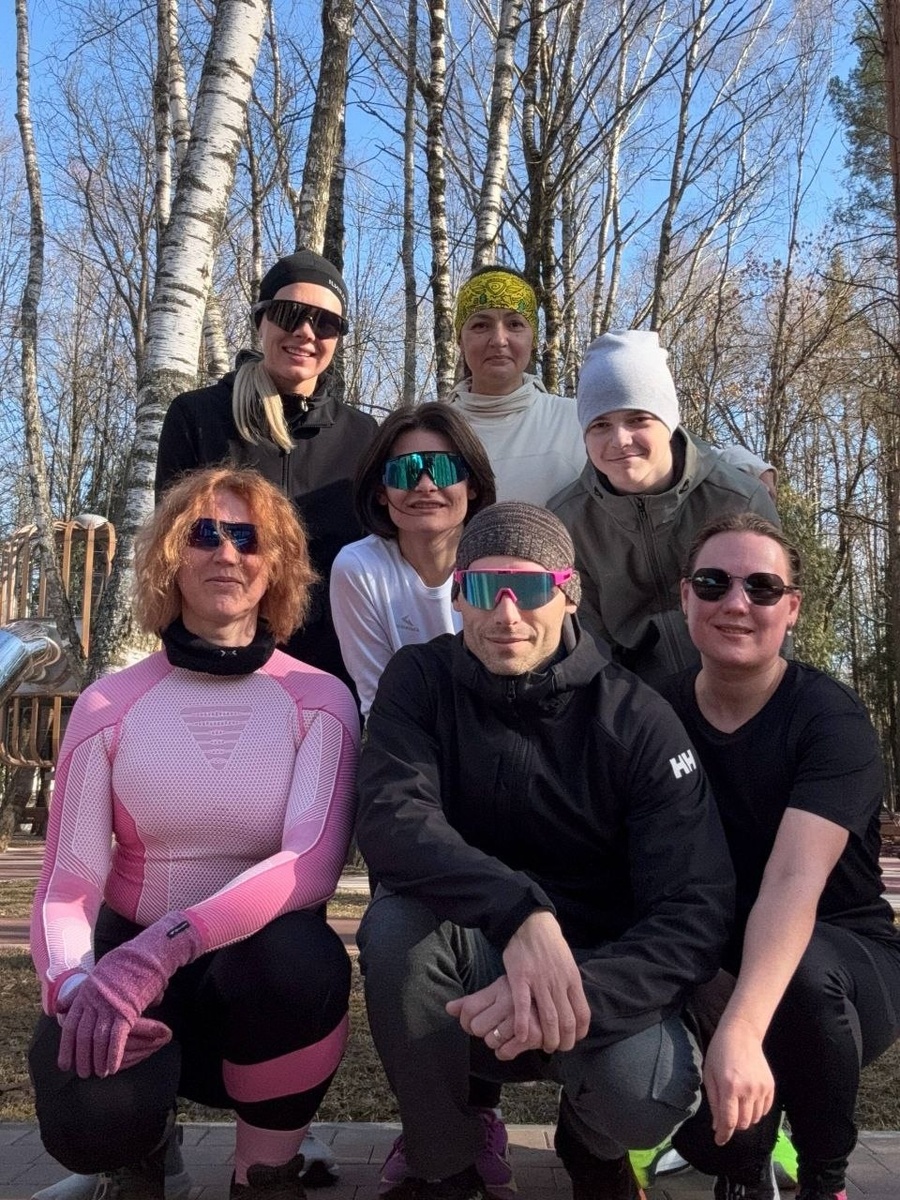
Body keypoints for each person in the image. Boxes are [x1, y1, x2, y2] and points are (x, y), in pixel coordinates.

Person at [355, 502, 735, 1200]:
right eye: (483, 588)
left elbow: (694, 907)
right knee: (395, 928)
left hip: (600, 975)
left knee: (643, 1097)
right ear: (458, 595)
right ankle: (446, 1165)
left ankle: (591, 1144)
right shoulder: (419, 681)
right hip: (471, 966)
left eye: (530, 588)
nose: (507, 614)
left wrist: (571, 991)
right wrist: (520, 914)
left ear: (569, 595)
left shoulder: (636, 718)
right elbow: (392, 820)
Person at [29, 467, 360, 1200]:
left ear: (275, 565)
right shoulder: (108, 704)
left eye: (248, 537)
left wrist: (164, 948)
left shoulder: (319, 699)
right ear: (170, 557)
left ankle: (263, 1172)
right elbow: (66, 885)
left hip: (257, 975)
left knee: (300, 962)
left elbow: (308, 863)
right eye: (203, 534)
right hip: (130, 971)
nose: (227, 553)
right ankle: (141, 1155)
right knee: (84, 1108)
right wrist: (77, 985)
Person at [659, 512, 900, 1200]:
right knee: (717, 1140)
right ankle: (742, 1168)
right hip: (708, 955)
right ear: (686, 597)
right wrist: (701, 984)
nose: (737, 603)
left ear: (791, 609)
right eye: (714, 583)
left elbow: (795, 881)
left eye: (762, 588)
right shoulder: (652, 715)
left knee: (799, 976)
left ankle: (826, 1180)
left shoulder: (831, 720)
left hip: (843, 959)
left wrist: (738, 1027)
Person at [155, 249, 378, 693]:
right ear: (261, 320)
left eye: (326, 323)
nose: (306, 332)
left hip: (332, 674)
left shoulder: (362, 435)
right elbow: (173, 550)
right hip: (217, 663)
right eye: (289, 314)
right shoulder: (198, 416)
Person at [549, 329, 780, 686]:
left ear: (668, 422)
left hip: (735, 690)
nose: (619, 440)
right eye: (600, 425)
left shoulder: (737, 500)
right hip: (631, 700)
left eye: (637, 419)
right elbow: (587, 646)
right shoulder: (569, 521)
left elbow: (769, 622)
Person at [329, 403, 496, 720]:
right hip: (403, 736)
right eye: (406, 471)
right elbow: (379, 701)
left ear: (472, 485)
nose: (426, 485)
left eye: (444, 469)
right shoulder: (358, 569)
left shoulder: (501, 563)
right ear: (381, 491)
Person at [444, 265, 584, 504]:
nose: (499, 340)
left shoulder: (577, 422)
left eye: (515, 324)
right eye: (481, 325)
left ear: (533, 339)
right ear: (460, 340)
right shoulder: (430, 432)